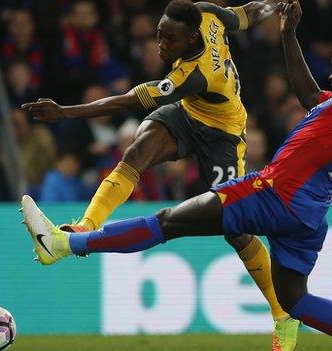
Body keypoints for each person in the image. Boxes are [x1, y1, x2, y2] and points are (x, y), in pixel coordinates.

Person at [22, 2, 332, 350]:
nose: (330, 78)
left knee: (167, 222)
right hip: (308, 216)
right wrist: (289, 34)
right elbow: (307, 93)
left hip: (270, 192)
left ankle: (64, 244)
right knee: (295, 300)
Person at [22, 1, 299, 349]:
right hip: (187, 115)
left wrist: (65, 112)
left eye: (170, 40)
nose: (161, 45)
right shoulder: (209, 15)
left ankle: (283, 315)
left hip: (223, 135)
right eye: (159, 35)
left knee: (237, 230)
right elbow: (246, 14)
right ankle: (84, 228)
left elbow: (126, 102)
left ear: (192, 38)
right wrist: (273, 5)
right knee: (136, 152)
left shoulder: (191, 76)